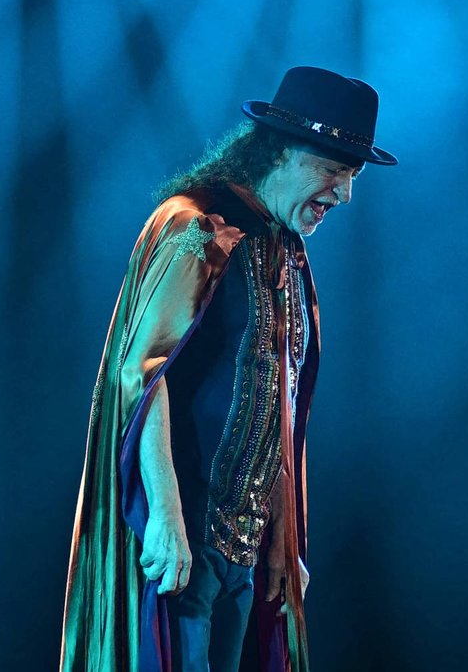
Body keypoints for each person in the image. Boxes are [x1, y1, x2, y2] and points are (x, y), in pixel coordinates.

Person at [60, 67, 397, 672]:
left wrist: (283, 535)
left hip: (242, 541)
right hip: (180, 533)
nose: (343, 194)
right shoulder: (199, 226)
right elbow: (142, 375)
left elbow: (281, 405)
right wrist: (164, 517)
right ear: (282, 151)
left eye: (352, 176)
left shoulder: (283, 248)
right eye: (334, 171)